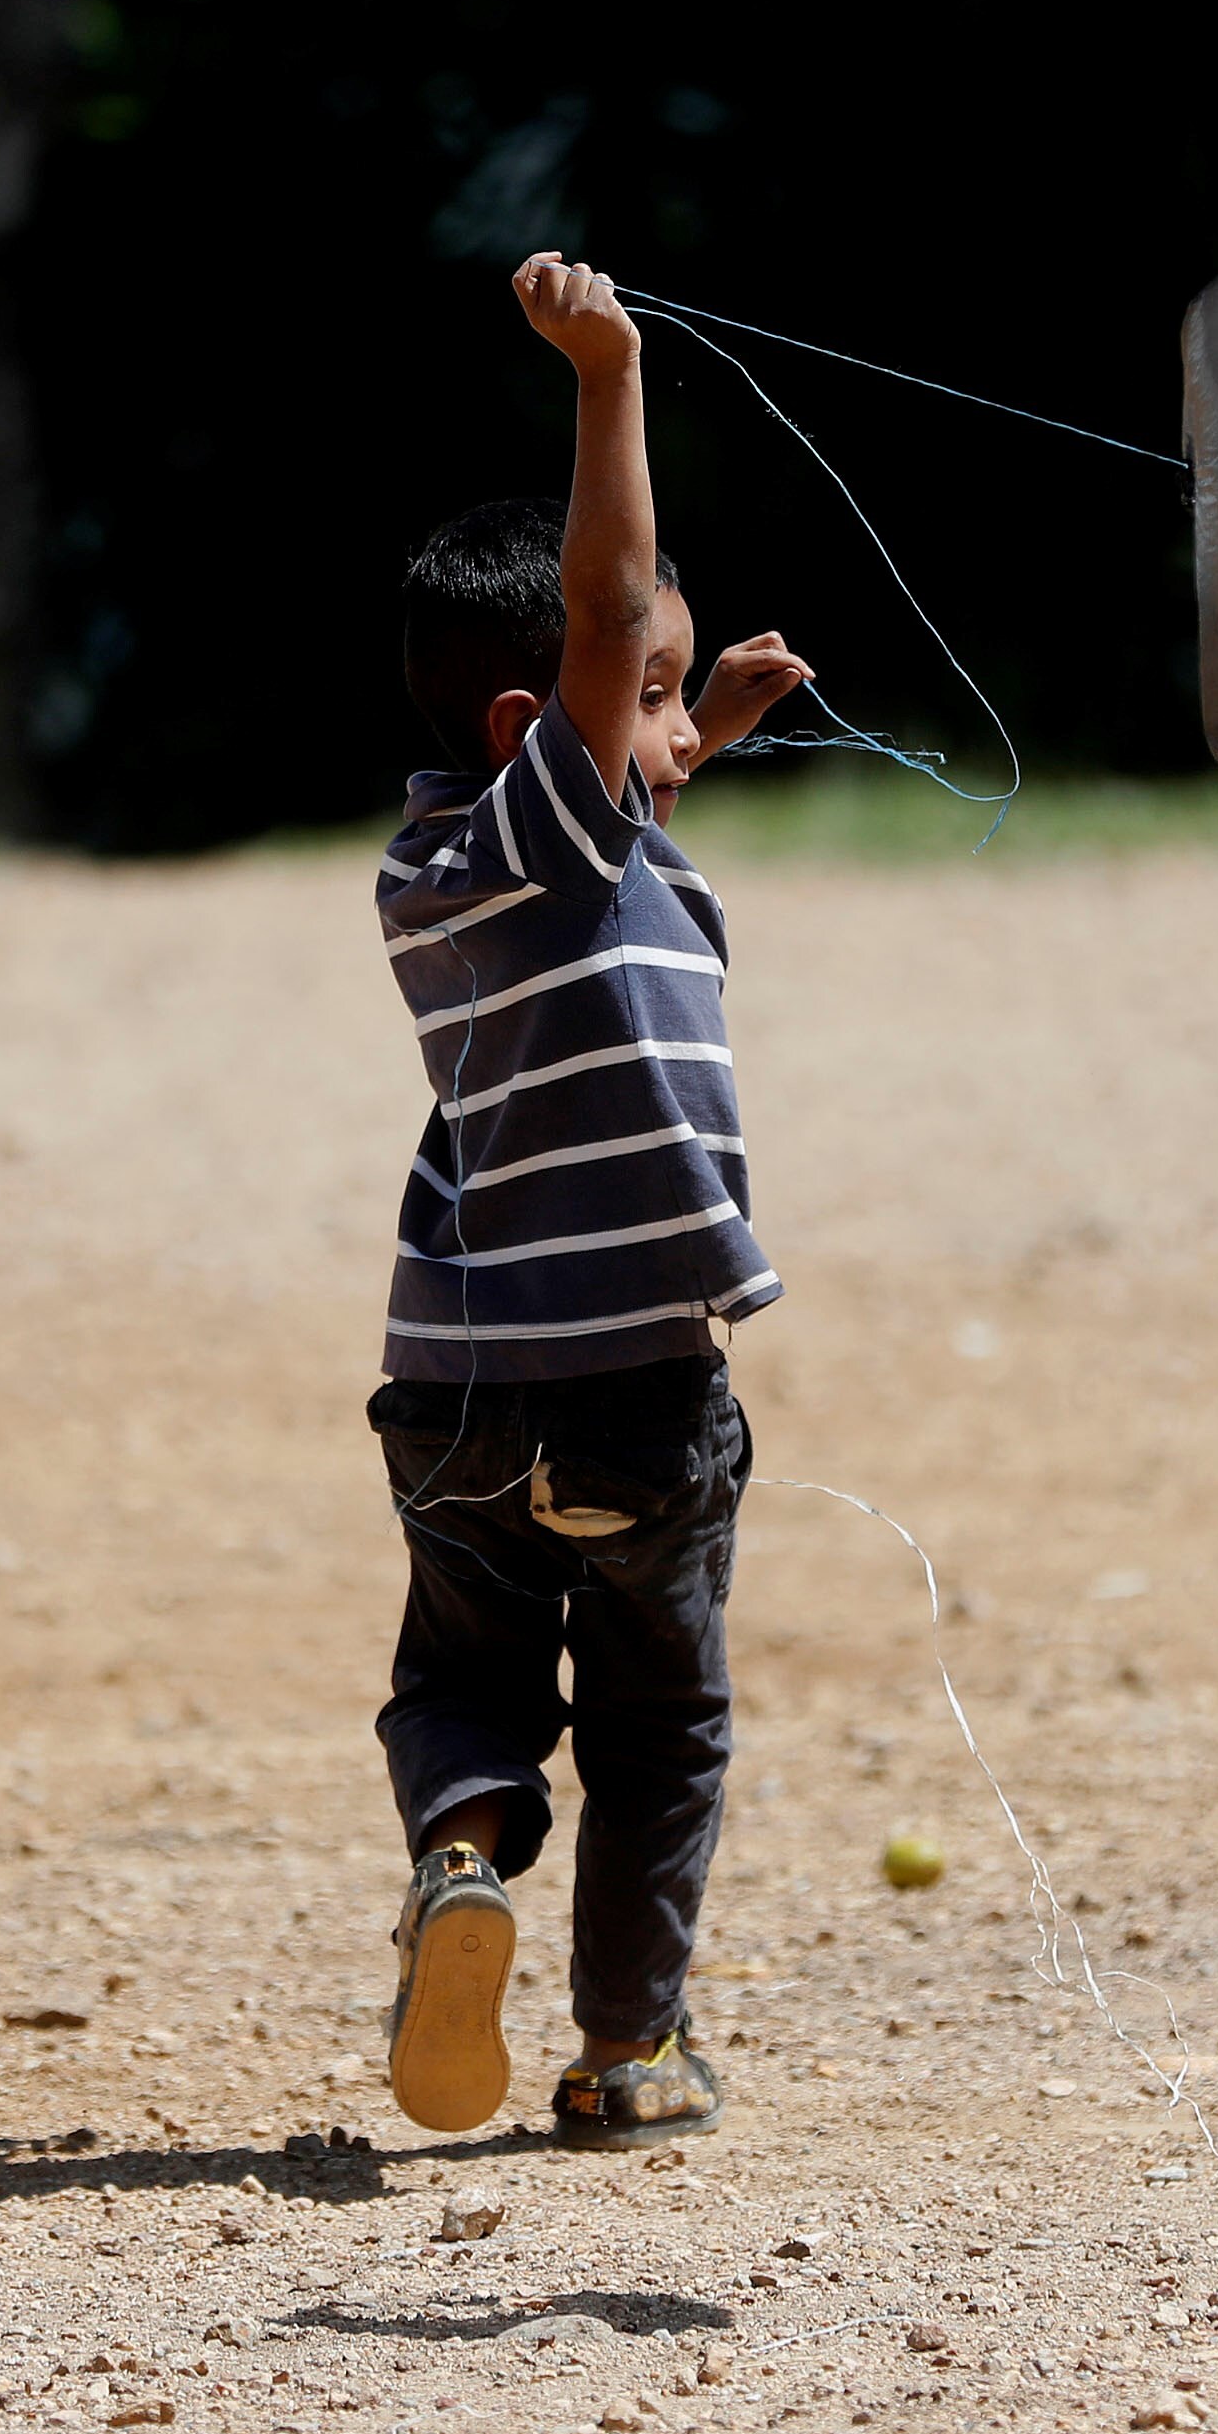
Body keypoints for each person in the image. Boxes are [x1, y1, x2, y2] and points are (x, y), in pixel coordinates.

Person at [365, 249, 818, 2150]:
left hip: (454, 1401)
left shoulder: (443, 874)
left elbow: (616, 783)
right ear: (526, 724)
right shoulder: (556, 824)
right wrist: (611, 377)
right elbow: (606, 595)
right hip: (636, 1384)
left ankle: (463, 1858)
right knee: (657, 1726)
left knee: (467, 1677)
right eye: (629, 702)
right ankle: (630, 2047)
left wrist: (691, 721)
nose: (659, 748)